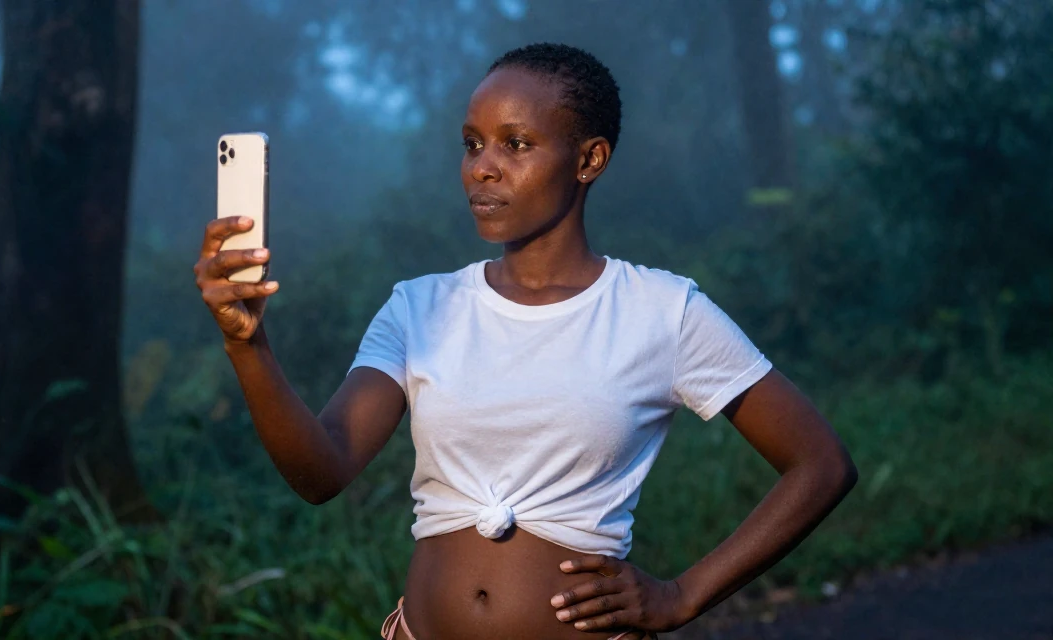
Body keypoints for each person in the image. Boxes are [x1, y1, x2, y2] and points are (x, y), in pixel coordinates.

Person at [194, 42, 858, 640]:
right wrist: (247, 347)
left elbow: (820, 464)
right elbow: (322, 471)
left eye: (515, 145)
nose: (482, 168)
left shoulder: (662, 312)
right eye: (471, 143)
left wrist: (681, 596)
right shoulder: (419, 307)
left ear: (589, 159)